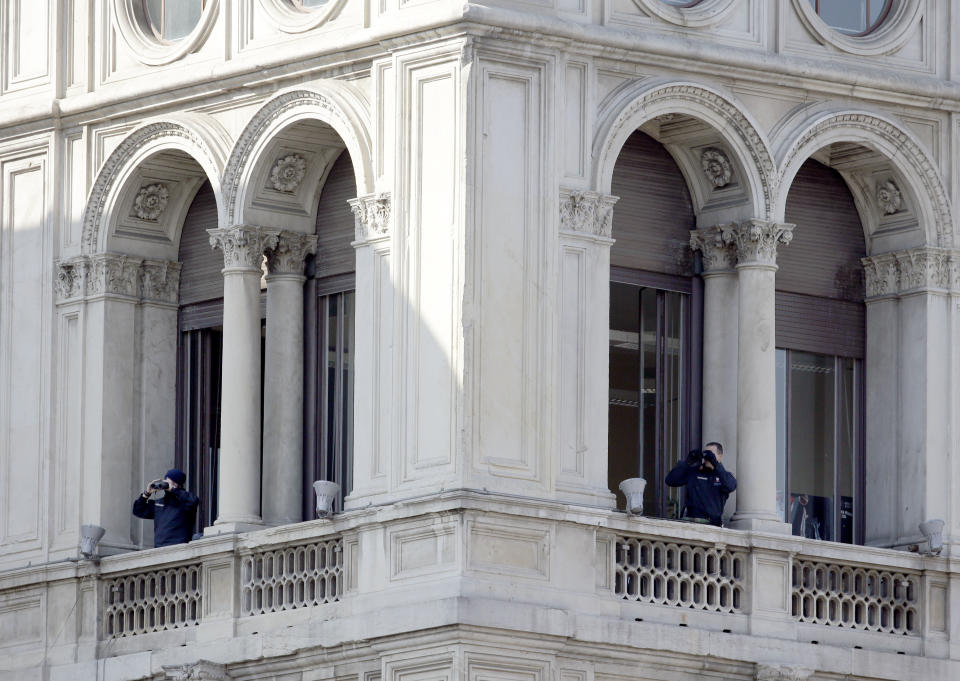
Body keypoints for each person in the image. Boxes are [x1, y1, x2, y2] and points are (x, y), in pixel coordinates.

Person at [664, 442, 736, 527]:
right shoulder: (694, 472)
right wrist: (687, 462)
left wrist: (716, 465)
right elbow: (670, 480)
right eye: (706, 454)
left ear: (720, 457)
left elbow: (730, 486)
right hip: (689, 522)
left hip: (711, 524)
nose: (707, 457)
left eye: (711, 454)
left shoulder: (723, 476)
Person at [132, 469, 200, 547]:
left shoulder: (185, 503)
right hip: (159, 549)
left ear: (177, 484)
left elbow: (193, 501)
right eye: (165, 482)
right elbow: (138, 510)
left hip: (179, 547)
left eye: (169, 482)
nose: (166, 485)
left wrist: (173, 490)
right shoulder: (159, 503)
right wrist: (146, 494)